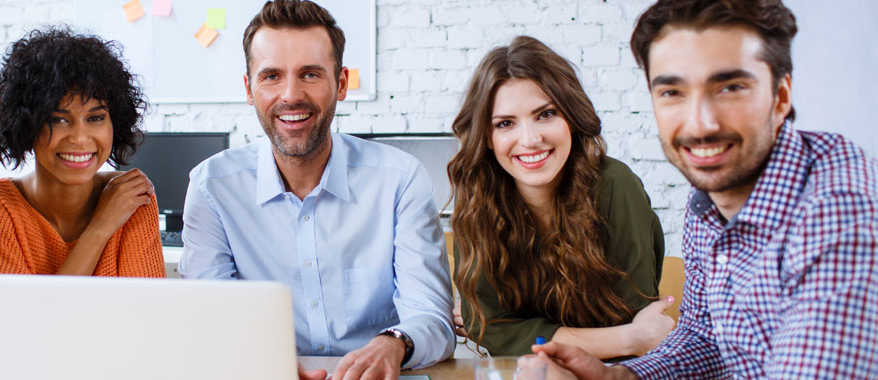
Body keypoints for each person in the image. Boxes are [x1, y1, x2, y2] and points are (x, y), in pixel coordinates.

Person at [533, 0, 878, 378]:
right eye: (672, 92)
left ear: (780, 98)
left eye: (730, 87)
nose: (700, 124)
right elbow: (705, 338)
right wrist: (619, 376)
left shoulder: (839, 206)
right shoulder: (709, 200)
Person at [179, 1, 454, 379]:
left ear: (341, 84)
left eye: (310, 74)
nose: (290, 95)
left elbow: (432, 316)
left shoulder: (400, 179)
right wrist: (260, 361)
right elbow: (210, 319)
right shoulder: (212, 189)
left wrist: (394, 343)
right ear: (249, 88)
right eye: (271, 76)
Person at [448, 35, 673, 360]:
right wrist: (627, 339)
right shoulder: (477, 195)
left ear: (571, 115)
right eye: (506, 123)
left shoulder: (614, 186)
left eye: (546, 114)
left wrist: (519, 332)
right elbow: (490, 327)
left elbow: (635, 317)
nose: (530, 139)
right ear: (486, 136)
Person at [0, 28, 166, 327]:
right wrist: (99, 229)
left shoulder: (131, 198)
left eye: (95, 118)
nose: (81, 139)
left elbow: (146, 323)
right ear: (26, 125)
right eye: (59, 119)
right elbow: (18, 332)